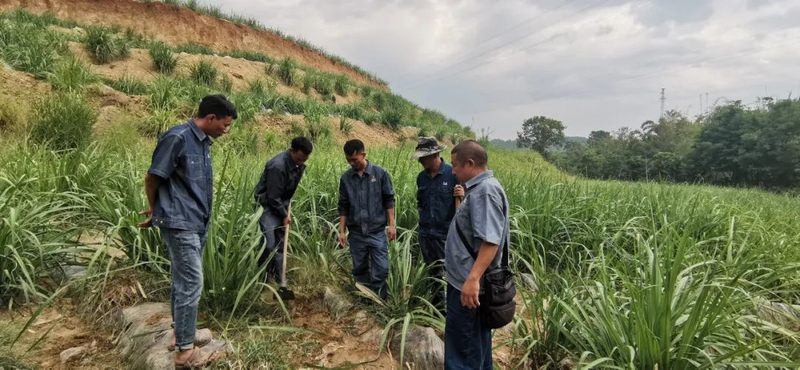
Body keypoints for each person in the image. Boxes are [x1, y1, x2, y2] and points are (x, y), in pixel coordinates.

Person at [139, 95, 236, 369]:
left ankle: (179, 333)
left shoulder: (203, 143)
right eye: (225, 125)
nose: (226, 130)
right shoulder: (178, 138)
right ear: (211, 118)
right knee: (191, 283)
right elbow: (153, 176)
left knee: (182, 281)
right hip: (180, 222)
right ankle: (184, 352)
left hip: (196, 221)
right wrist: (154, 208)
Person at [444, 140, 511, 370]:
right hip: (466, 282)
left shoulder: (484, 192)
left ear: (470, 163)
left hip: (469, 286)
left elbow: (490, 241)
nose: (452, 171)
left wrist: (472, 280)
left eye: (455, 165)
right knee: (475, 346)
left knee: (463, 349)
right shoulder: (480, 189)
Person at [337, 139, 396, 299]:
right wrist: (342, 231)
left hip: (376, 231)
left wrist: (392, 225)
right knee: (360, 269)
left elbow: (389, 199)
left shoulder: (380, 173)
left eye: (354, 160)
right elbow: (343, 206)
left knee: (381, 269)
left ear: (363, 154)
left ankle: (380, 302)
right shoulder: (346, 179)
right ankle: (365, 301)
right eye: (348, 159)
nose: (351, 163)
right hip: (356, 232)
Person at [411, 137, 463, 312]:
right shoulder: (421, 178)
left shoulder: (452, 174)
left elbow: (463, 207)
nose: (419, 161)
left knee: (447, 274)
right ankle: (437, 308)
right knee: (432, 273)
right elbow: (420, 203)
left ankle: (450, 310)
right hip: (426, 234)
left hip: (445, 235)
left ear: (435, 155)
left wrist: (463, 194)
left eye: (422, 157)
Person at [253, 137, 313, 282]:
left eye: (303, 160)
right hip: (267, 207)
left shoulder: (298, 165)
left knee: (280, 244)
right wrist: (284, 214)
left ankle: (279, 277)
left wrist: (285, 209)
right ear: (292, 151)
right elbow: (273, 197)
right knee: (268, 244)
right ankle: (263, 279)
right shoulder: (277, 166)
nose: (300, 163)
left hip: (282, 204)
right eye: (298, 159)